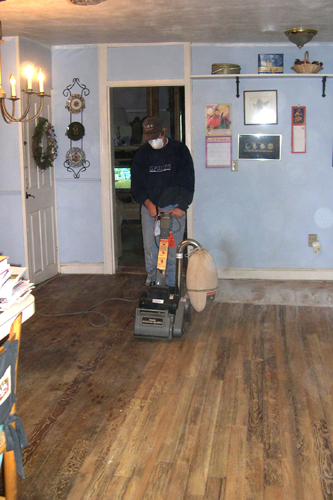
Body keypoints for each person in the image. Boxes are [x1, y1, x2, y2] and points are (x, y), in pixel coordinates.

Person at [131, 116, 195, 288]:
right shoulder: (142, 155)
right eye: (149, 138)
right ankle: (153, 287)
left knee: (171, 254)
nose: (153, 141)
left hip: (174, 209)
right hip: (150, 209)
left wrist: (182, 206)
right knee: (151, 251)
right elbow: (137, 185)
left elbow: (188, 181)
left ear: (163, 131)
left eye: (156, 137)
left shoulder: (179, 150)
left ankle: (172, 290)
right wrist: (148, 204)